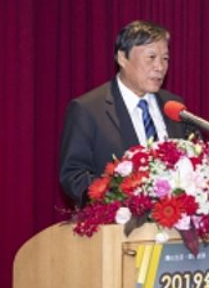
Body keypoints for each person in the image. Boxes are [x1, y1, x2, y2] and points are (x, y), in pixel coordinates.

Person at [59, 20, 196, 206]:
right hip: (118, 227)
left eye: (165, 59)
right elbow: (73, 176)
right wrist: (119, 199)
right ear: (122, 58)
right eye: (151, 57)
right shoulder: (88, 109)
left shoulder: (174, 106)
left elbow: (196, 160)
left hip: (174, 223)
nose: (160, 67)